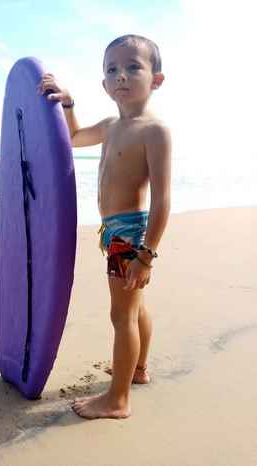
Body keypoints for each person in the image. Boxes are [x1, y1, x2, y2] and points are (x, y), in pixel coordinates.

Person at [37, 34, 172, 419]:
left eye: (133, 67)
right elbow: (76, 138)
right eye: (112, 69)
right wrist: (68, 103)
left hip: (130, 236)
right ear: (104, 83)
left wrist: (145, 255)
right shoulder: (112, 125)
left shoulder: (154, 131)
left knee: (122, 316)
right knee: (134, 305)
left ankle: (118, 400)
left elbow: (162, 199)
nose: (121, 76)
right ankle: (139, 370)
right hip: (113, 233)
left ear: (156, 79)